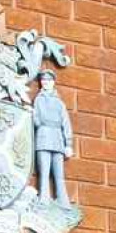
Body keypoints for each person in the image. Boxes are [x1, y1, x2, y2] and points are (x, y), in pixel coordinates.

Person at [32, 69, 74, 208]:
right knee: (44, 171)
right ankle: (43, 198)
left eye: (48, 80)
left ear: (53, 82)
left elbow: (65, 122)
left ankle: (63, 200)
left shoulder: (59, 103)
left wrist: (68, 144)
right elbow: (36, 119)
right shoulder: (38, 100)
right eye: (43, 80)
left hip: (57, 138)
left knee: (59, 174)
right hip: (43, 136)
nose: (45, 83)